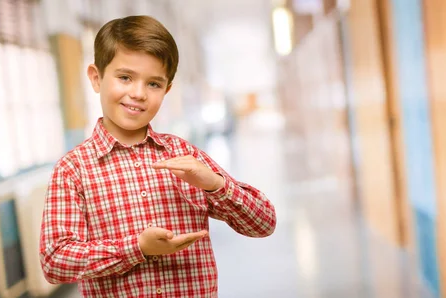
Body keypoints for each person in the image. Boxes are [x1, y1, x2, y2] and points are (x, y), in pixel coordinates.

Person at [39, 15, 276, 298]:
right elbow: (55, 261)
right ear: (96, 77)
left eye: (153, 84)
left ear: (167, 90)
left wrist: (215, 184)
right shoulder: (73, 169)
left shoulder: (184, 154)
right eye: (125, 77)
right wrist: (137, 248)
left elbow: (263, 223)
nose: (138, 93)